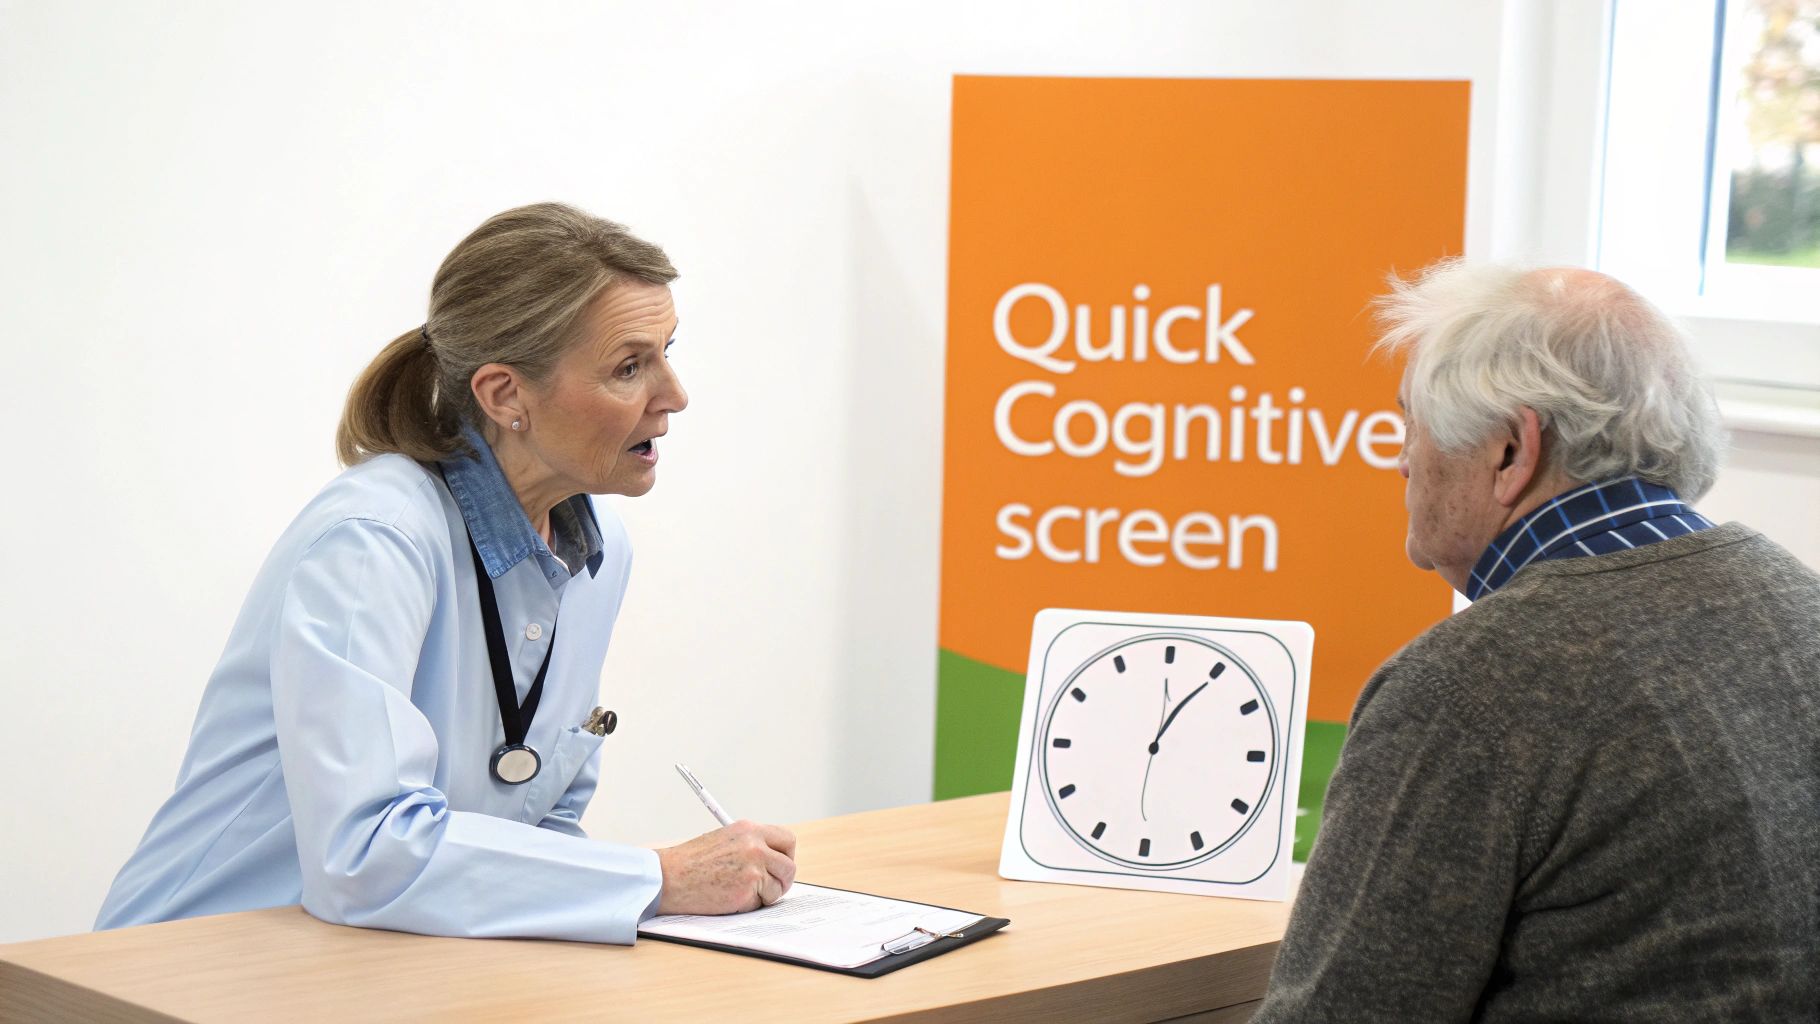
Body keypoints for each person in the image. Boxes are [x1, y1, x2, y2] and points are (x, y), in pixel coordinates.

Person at [96, 203, 798, 942]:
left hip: (378, 964)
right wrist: (658, 881)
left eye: (668, 351)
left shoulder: (596, 550)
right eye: (630, 367)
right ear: (504, 396)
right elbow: (365, 855)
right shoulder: (375, 541)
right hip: (188, 971)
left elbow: (541, 819)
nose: (675, 394)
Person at [1254, 261, 1819, 1020]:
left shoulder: (1469, 687)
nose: (1401, 459)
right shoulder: (1798, 602)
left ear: (1512, 451)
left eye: (1410, 424)